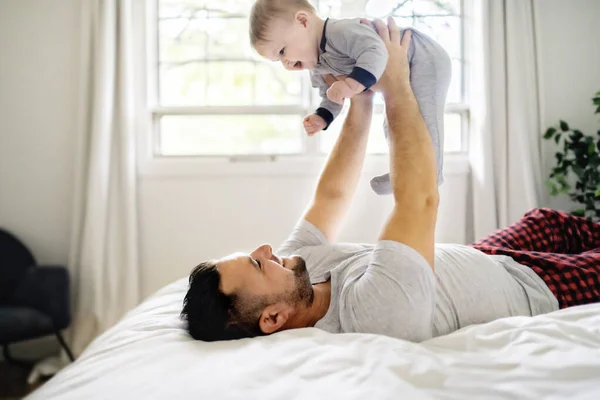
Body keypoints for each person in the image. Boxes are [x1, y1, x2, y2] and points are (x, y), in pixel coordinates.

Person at [181, 18, 600, 343]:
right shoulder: (373, 314)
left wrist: (359, 99)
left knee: (546, 219)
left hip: (484, 255)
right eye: (257, 263)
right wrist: (397, 82)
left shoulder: (300, 270)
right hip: (531, 286)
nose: (265, 249)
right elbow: (419, 199)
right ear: (273, 319)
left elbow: (332, 194)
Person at [249, 0, 450, 195]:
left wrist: (351, 85)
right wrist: (323, 116)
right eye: (278, 60)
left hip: (421, 55)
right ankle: (403, 172)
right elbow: (331, 96)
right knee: (392, 124)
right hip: (400, 71)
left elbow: (375, 51)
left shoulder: (339, 32)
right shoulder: (318, 67)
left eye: (283, 51)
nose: (286, 63)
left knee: (426, 116)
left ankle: (433, 172)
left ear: (303, 21)